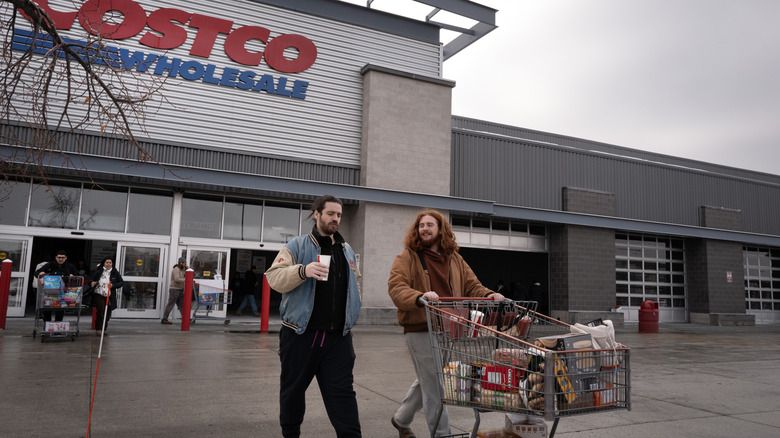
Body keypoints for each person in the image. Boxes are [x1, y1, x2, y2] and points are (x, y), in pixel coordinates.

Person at [387, 210, 505, 438]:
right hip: (421, 327)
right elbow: (396, 287)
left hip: (447, 329)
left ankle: (401, 419)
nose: (425, 229)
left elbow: (473, 286)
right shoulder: (407, 257)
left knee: (429, 379)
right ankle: (442, 434)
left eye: (430, 225)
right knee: (436, 386)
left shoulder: (454, 259)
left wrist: (489, 295)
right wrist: (419, 296)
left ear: (441, 229)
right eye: (421, 225)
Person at [265, 195, 362, 438]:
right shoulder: (297, 246)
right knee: (293, 392)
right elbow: (273, 277)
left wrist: (352, 314)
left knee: (343, 395)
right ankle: (290, 434)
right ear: (317, 214)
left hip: (339, 339)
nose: (335, 219)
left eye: (339, 215)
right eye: (331, 213)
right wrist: (302, 270)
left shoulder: (346, 249)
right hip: (300, 335)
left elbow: (355, 282)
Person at [34, 250, 78, 322]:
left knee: (60, 310)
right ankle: (47, 327)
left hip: (62, 292)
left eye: (62, 258)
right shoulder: (49, 265)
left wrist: (72, 276)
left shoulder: (70, 266)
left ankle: (57, 328)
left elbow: (78, 275)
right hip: (49, 292)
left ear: (66, 258)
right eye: (59, 257)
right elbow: (37, 273)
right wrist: (40, 273)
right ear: (56, 257)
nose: (60, 259)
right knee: (47, 310)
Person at [89, 257, 124, 334]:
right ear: (103, 263)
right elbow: (91, 279)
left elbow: (121, 282)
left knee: (107, 313)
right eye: (107, 262)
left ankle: (104, 328)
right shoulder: (99, 272)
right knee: (101, 311)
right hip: (99, 294)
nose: (108, 264)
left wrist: (113, 285)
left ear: (112, 264)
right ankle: (98, 329)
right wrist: (92, 282)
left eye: (110, 262)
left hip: (110, 295)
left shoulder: (115, 272)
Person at [161, 257, 188, 325]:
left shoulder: (182, 270)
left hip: (180, 289)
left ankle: (186, 318)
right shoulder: (176, 269)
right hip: (175, 289)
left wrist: (187, 269)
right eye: (184, 263)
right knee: (171, 304)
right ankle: (165, 318)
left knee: (181, 305)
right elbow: (177, 279)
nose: (185, 264)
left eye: (186, 263)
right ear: (180, 263)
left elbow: (186, 276)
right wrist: (186, 280)